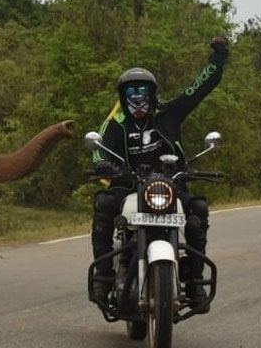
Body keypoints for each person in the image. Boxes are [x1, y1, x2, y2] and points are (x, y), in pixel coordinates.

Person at [88, 36, 229, 312]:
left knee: (198, 208)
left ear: (153, 92)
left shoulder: (169, 114)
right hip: (128, 187)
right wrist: (104, 165)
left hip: (171, 185)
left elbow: (199, 89)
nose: (137, 95)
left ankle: (195, 281)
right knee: (104, 203)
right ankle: (103, 279)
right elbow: (99, 150)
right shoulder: (115, 125)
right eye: (130, 91)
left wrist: (219, 57)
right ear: (122, 95)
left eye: (142, 89)